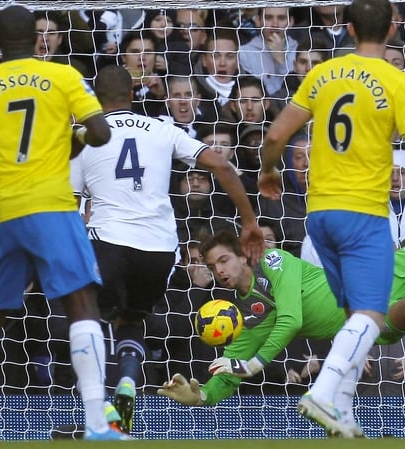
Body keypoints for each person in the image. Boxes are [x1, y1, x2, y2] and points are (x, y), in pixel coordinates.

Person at [158, 229, 405, 437]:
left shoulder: (275, 261)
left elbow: (292, 320)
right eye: (212, 267)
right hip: (371, 316)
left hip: (385, 270)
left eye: (223, 260)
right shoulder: (247, 317)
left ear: (243, 254)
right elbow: (230, 371)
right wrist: (203, 395)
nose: (220, 271)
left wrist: (254, 362)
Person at [257, 0, 405, 436]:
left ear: (350, 27)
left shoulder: (322, 74)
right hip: (363, 213)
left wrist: (267, 171)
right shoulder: (397, 80)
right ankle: (322, 393)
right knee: (373, 316)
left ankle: (343, 415)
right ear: (394, 28)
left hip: (318, 215)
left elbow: (277, 134)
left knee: (352, 315)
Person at [0, 5, 126, 441]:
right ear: (36, 37)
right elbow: (101, 134)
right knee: (81, 304)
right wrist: (74, 137)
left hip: (3, 210)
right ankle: (97, 424)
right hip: (52, 205)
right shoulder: (63, 77)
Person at [69, 65, 264, 434]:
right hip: (159, 248)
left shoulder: (83, 139)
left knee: (89, 319)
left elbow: (72, 205)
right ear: (131, 94)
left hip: (107, 240)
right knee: (132, 320)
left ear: (95, 98)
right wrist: (250, 221)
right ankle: (127, 386)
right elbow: (221, 164)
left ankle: (97, 413)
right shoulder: (161, 129)